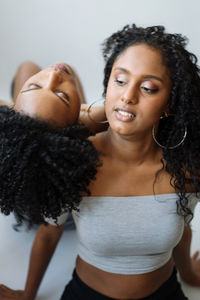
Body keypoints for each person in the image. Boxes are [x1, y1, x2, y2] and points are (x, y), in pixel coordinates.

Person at [1, 24, 200, 300]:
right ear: (107, 85)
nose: (128, 96)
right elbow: (49, 234)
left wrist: (189, 273)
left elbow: (183, 225)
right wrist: (28, 294)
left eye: (148, 88)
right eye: (119, 81)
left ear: (169, 104)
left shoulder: (187, 168)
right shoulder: (76, 163)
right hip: (85, 293)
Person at [0, 61, 103, 228]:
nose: (53, 75)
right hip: (49, 213)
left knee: (29, 68)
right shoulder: (85, 137)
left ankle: (37, 105)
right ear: (78, 126)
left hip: (44, 193)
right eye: (63, 96)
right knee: (67, 71)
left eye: (33, 86)